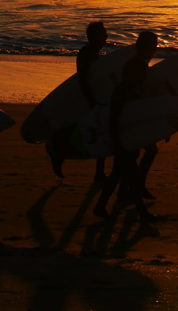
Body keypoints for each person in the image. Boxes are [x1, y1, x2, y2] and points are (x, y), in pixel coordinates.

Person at [93, 31, 159, 222]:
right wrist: (117, 139)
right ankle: (143, 213)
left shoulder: (135, 75)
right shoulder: (129, 81)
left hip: (126, 132)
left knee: (118, 172)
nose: (155, 50)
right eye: (152, 46)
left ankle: (99, 207)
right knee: (129, 171)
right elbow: (117, 114)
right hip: (122, 134)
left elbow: (139, 107)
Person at [46, 20, 109, 181]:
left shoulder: (93, 52)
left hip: (93, 97)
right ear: (94, 36)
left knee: (100, 131)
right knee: (90, 131)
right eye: (103, 33)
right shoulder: (88, 53)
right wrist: (92, 101)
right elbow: (84, 80)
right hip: (86, 98)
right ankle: (56, 152)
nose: (107, 35)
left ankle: (98, 173)